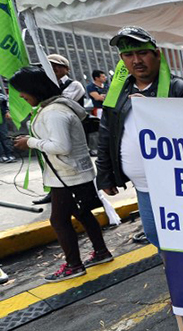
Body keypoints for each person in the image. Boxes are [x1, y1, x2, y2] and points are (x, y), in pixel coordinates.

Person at [97, 26, 183, 248]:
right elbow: (107, 135)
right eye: (128, 55)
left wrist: (153, 111)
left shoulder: (182, 90)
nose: (136, 60)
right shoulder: (118, 93)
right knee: (155, 235)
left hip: (182, 186)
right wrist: (105, 175)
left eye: (142, 53)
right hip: (143, 187)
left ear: (156, 54)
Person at [11, 66, 113, 282]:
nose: (20, 95)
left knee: (59, 220)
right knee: (83, 213)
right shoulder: (54, 108)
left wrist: (30, 142)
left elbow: (61, 146)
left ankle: (74, 265)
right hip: (72, 173)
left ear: (33, 88)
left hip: (67, 176)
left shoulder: (54, 112)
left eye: (21, 90)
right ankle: (101, 252)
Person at [33, 55, 88, 205]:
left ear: (67, 69)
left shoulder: (74, 85)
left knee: (70, 163)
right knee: (52, 161)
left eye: (57, 65)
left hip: (70, 132)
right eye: (49, 66)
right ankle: (54, 192)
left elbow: (59, 101)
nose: (53, 69)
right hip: (51, 130)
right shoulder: (46, 86)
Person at [0, 93, 17, 163]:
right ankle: (2, 155)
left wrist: (6, 111)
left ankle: (9, 154)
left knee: (4, 136)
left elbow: (3, 99)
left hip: (1, 117)